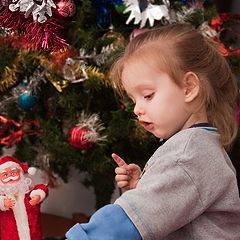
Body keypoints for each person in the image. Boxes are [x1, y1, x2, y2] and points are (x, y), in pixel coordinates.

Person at [66, 23, 240, 239]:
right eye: (133, 100)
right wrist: (144, 188)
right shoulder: (197, 146)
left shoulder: (187, 155)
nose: (137, 109)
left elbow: (124, 225)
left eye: (148, 95)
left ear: (189, 88)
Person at [0, 155, 48, 240]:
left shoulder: (28, 193)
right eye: (5, 175)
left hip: (34, 235)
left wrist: (38, 195)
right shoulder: (3, 197)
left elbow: (42, 188)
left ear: (20, 174)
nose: (10, 177)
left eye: (13, 173)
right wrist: (2, 203)